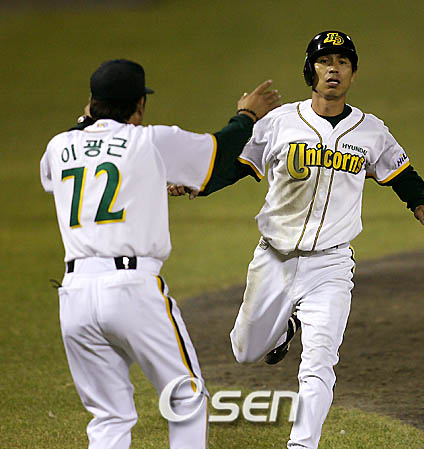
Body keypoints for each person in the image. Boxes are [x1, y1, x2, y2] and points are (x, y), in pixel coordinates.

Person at [168, 31, 424, 449]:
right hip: (274, 259)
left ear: (353, 74)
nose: (333, 69)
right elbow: (239, 165)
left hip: (331, 266)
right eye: (324, 61)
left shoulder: (370, 130)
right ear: (310, 71)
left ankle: (302, 445)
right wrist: (198, 184)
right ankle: (283, 330)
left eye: (342, 62)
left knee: (319, 364)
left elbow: (399, 170)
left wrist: (420, 202)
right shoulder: (279, 122)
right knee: (244, 351)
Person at [40, 58, 280, 449]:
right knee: (185, 396)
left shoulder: (58, 146)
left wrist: (92, 126)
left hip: (74, 295)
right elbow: (220, 152)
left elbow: (63, 173)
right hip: (132, 291)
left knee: (109, 416)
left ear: (92, 101)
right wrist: (247, 115)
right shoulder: (151, 141)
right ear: (139, 105)